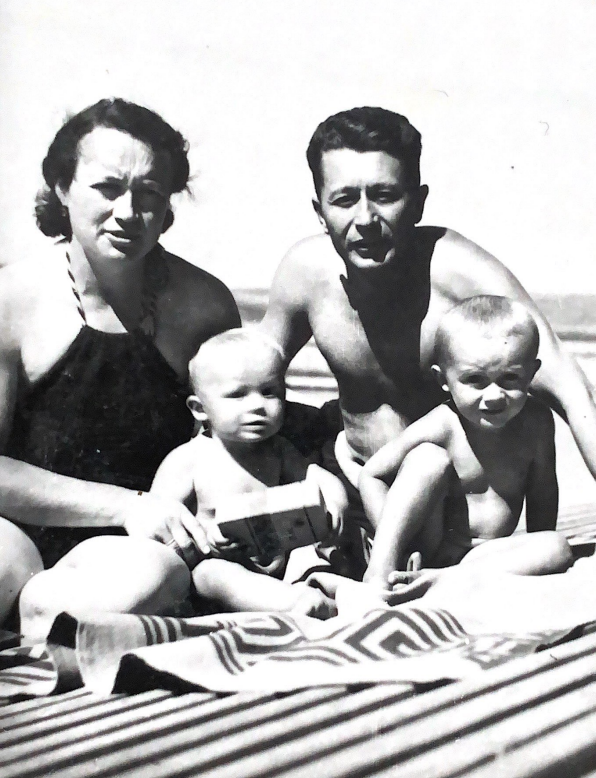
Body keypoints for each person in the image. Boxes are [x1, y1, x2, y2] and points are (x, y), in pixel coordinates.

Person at [261, 106, 596, 577]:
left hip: (445, 515)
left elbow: (569, 387)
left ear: (417, 203)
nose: (365, 219)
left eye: (384, 196)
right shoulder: (304, 274)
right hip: (352, 496)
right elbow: (241, 376)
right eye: (344, 200)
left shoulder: (459, 272)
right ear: (320, 211)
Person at [0, 98, 240, 638]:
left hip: (135, 550)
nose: (128, 212)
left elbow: (232, 445)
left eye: (148, 193)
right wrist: (126, 505)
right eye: (108, 188)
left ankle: (41, 622)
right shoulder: (10, 301)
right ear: (62, 188)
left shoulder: (203, 305)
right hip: (19, 531)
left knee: (149, 578)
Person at [359, 295, 572, 587]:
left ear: (532, 373)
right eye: (475, 380)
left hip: (483, 557)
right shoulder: (444, 424)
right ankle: (379, 572)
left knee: (556, 546)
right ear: (443, 380)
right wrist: (396, 547)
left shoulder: (537, 423)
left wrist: (536, 551)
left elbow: (543, 490)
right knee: (427, 458)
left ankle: (440, 580)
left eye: (510, 378)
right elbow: (371, 475)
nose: (494, 396)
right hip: (429, 547)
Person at [150, 329, 346, 617]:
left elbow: (318, 476)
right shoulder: (189, 460)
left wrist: (335, 502)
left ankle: (314, 593)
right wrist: (206, 539)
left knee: (311, 553)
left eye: (269, 392)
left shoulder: (279, 451)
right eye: (237, 395)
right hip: (217, 572)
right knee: (211, 574)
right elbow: (159, 524)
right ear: (200, 409)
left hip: (280, 567)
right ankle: (297, 603)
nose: (257, 405)